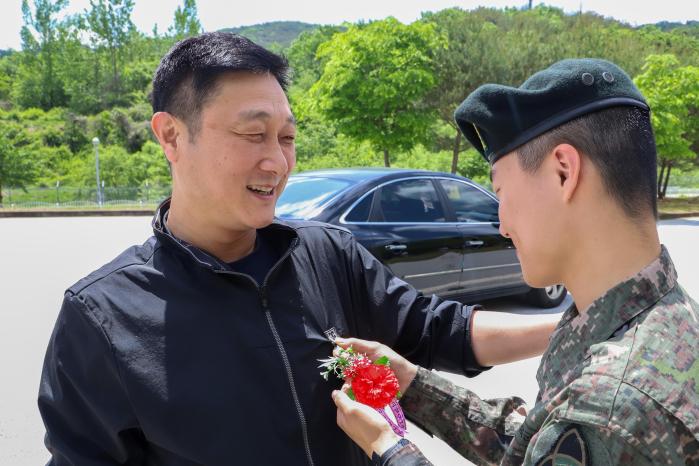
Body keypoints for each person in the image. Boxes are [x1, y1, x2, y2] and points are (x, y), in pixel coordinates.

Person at [37, 32, 558, 466]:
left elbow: (440, 329)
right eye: (253, 134)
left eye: (286, 138)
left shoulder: (327, 255)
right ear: (171, 136)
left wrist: (578, 325)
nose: (277, 163)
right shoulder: (102, 318)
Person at [331, 58, 699, 465]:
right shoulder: (664, 315)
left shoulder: (608, 409)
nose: (502, 224)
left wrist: (390, 449)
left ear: (564, 172)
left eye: (502, 192)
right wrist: (412, 385)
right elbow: (536, 444)